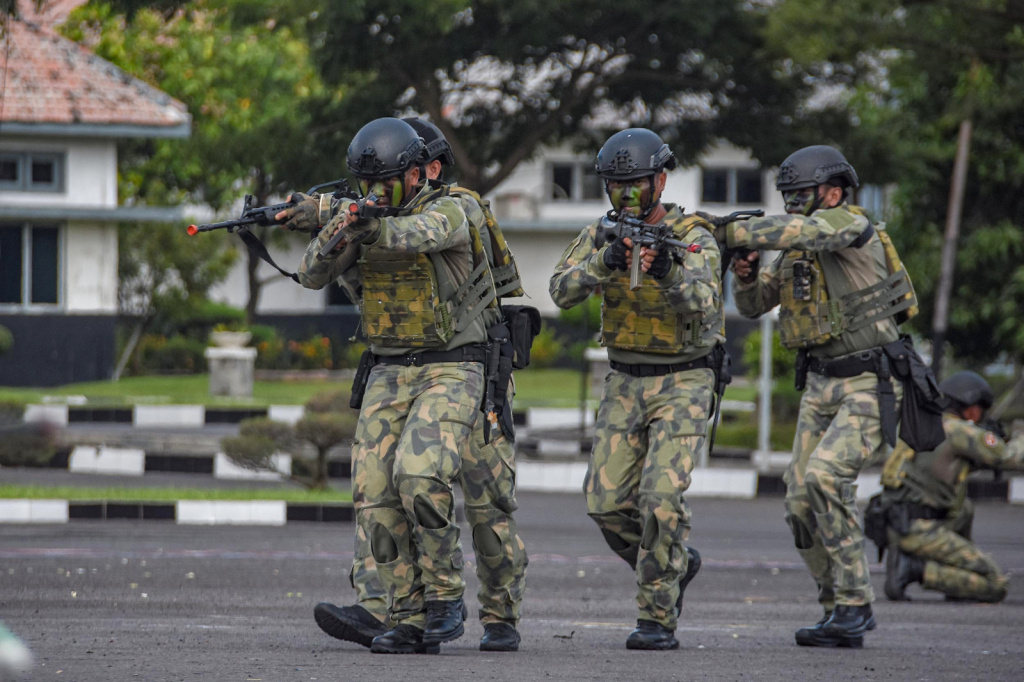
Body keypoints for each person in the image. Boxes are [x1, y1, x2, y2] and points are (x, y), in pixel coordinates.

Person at [306, 117, 528, 653]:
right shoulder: (363, 219)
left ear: (419, 173)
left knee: (469, 496)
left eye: (385, 183)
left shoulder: (455, 208)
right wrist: (333, 224)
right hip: (391, 367)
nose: (375, 194)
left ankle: (490, 609)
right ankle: (405, 613)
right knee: (374, 488)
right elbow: (312, 274)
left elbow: (420, 235)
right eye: (367, 184)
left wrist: (367, 226)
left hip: (462, 367)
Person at [722, 145, 919, 648]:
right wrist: (745, 274)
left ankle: (855, 602)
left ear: (833, 192)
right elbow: (755, 305)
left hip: (869, 380)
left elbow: (809, 232)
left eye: (801, 195)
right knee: (797, 501)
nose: (793, 205)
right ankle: (836, 607)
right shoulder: (796, 249)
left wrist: (730, 231)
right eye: (788, 197)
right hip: (820, 383)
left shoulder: (850, 224)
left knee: (826, 478)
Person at [549, 128, 719, 651]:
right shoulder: (599, 235)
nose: (625, 195)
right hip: (624, 379)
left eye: (636, 185)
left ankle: (656, 616)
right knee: (605, 504)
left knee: (660, 500)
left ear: (660, 182)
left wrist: (666, 271)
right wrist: (604, 263)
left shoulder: (692, 234)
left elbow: (706, 301)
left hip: (684, 378)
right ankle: (670, 563)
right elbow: (560, 291)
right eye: (616, 186)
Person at [879, 370, 1024, 602]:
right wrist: (1021, 436)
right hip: (921, 529)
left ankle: (951, 579)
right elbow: (1009, 456)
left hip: (897, 524)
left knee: (964, 508)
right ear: (971, 408)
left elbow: (939, 469)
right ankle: (915, 570)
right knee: (996, 584)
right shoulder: (958, 430)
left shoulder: (925, 424)